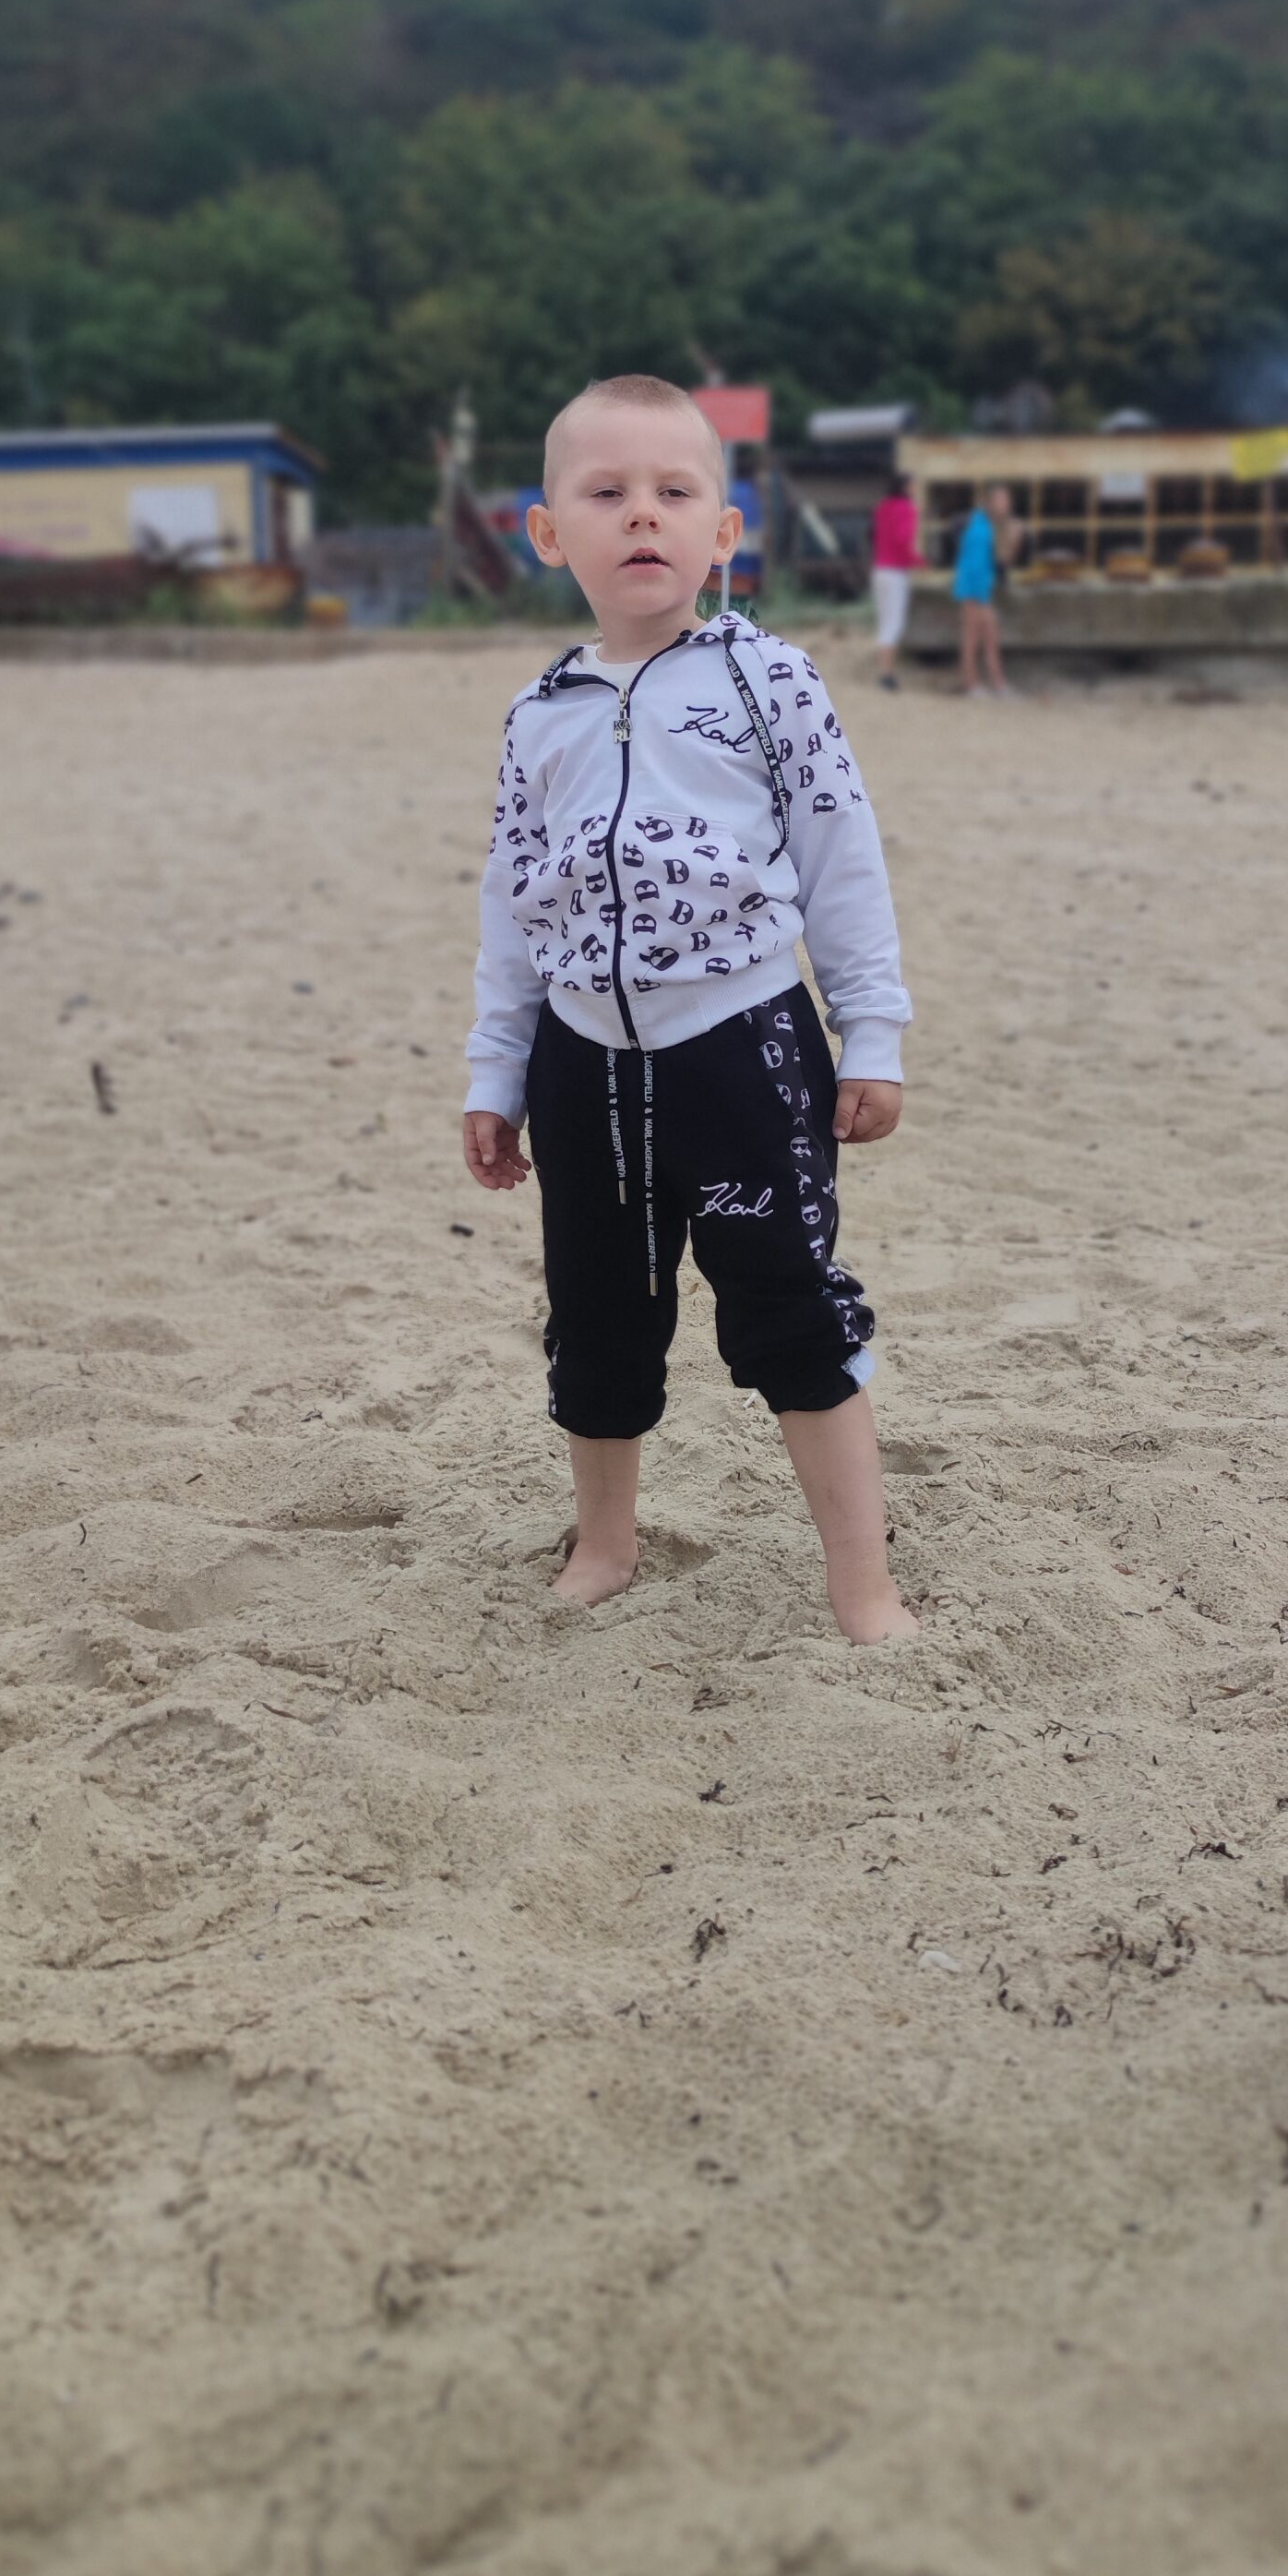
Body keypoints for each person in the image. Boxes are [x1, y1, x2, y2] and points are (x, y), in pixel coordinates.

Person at [462, 371, 918, 1646]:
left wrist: (872, 1032)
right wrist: (496, 1073)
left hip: (742, 1044)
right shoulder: (540, 715)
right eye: (606, 492)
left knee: (791, 1305)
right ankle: (607, 1543)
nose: (641, 515)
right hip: (581, 1060)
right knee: (597, 1314)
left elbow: (841, 855)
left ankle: (863, 1585)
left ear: (724, 532)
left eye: (673, 492)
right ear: (549, 533)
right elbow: (512, 902)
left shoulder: (771, 682)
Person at [952, 481, 1019, 695]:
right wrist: (980, 597)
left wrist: (1013, 538)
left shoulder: (989, 525)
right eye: (1002, 500)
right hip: (974, 591)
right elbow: (976, 566)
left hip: (980, 591)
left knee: (988, 639)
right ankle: (974, 685)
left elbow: (1002, 562)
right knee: (974, 639)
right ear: (990, 503)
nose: (1006, 504)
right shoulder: (980, 528)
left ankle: (996, 685)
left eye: (1007, 500)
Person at [870, 471, 924, 690]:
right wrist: (920, 562)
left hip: (880, 570)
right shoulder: (908, 508)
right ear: (906, 487)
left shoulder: (883, 507)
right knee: (894, 623)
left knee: (885, 622)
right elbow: (903, 540)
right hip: (896, 573)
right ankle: (887, 674)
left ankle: (884, 669)